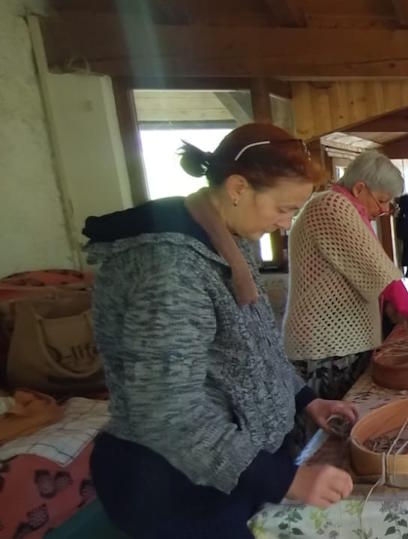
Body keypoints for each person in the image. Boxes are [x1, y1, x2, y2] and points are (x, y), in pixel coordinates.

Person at [82, 123, 358, 538]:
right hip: (176, 487)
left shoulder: (225, 243)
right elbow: (168, 414)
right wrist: (286, 480)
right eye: (283, 208)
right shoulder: (167, 267)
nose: (286, 224)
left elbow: (255, 349)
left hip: (225, 469)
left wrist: (304, 400)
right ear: (237, 188)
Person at [284, 150, 408, 400]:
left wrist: (392, 311)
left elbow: (361, 272)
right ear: (360, 188)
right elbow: (378, 269)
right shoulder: (331, 205)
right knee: (334, 422)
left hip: (339, 341)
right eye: (382, 200)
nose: (384, 209)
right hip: (325, 345)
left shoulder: (346, 208)